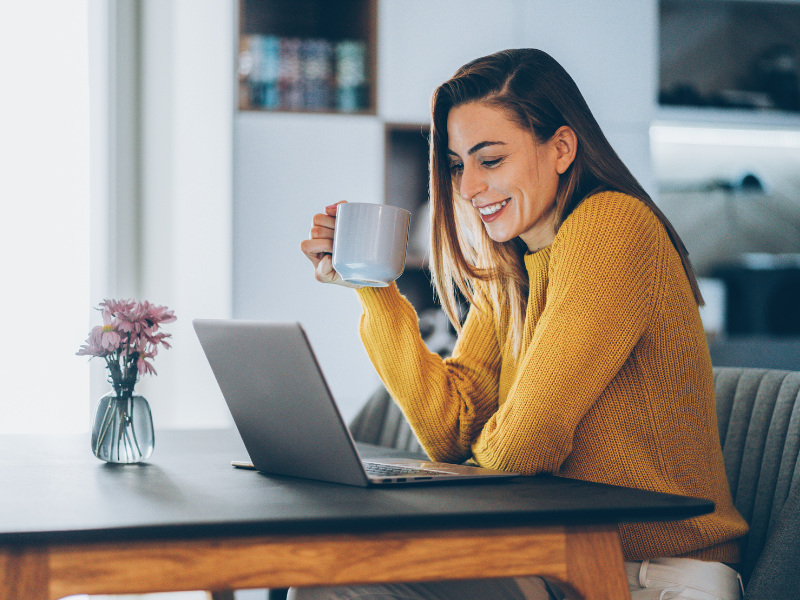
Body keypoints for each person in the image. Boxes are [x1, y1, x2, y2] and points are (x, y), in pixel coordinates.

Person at [297, 49, 748, 600]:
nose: (466, 189)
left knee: (337, 585)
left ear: (560, 148)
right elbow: (450, 433)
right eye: (459, 165)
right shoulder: (510, 268)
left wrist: (479, 456)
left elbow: (523, 448)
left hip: (656, 573)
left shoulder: (612, 227)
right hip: (556, 556)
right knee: (329, 580)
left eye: (490, 160)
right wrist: (374, 289)